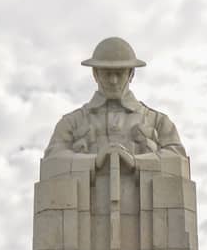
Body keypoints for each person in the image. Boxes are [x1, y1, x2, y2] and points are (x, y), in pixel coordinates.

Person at [43, 37, 186, 170]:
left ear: (131, 74)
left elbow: (178, 160)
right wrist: (94, 161)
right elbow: (52, 160)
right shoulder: (71, 122)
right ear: (95, 73)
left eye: (119, 73)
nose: (113, 80)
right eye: (107, 73)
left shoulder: (158, 122)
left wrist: (137, 163)